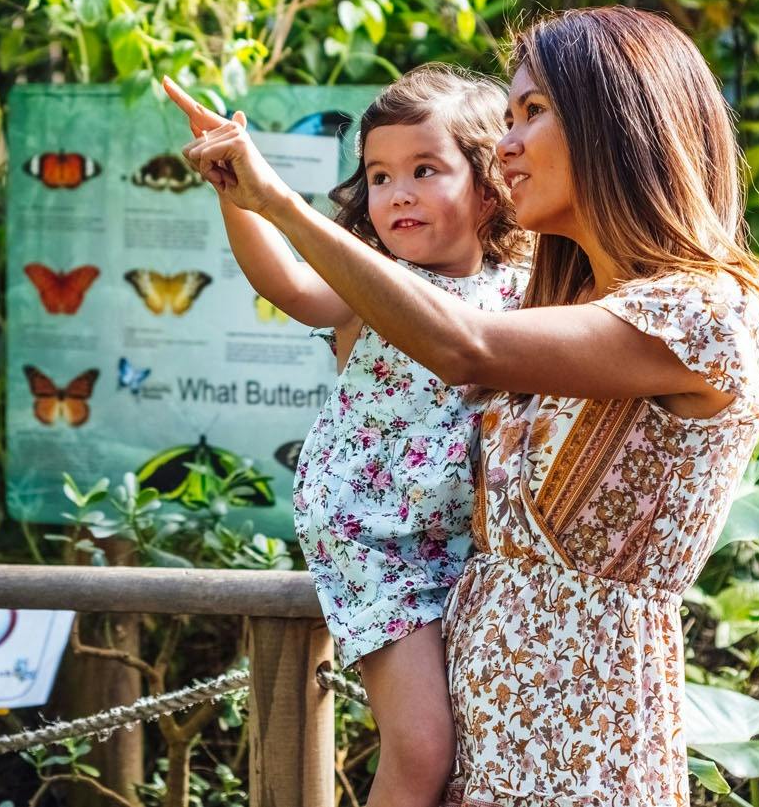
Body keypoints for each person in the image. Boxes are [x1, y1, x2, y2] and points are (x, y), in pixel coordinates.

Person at [164, 6, 759, 806]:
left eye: (533, 114)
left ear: (618, 122)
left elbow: (466, 346)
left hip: (583, 754)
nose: (507, 143)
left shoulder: (706, 311)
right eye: (509, 116)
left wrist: (279, 201)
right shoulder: (566, 300)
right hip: (493, 753)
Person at [207, 64, 529, 807]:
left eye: (425, 169)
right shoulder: (371, 279)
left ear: (489, 186)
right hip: (371, 534)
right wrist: (236, 192)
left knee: (473, 746)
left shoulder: (524, 285)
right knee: (421, 750)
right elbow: (287, 287)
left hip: (460, 539)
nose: (399, 192)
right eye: (380, 176)